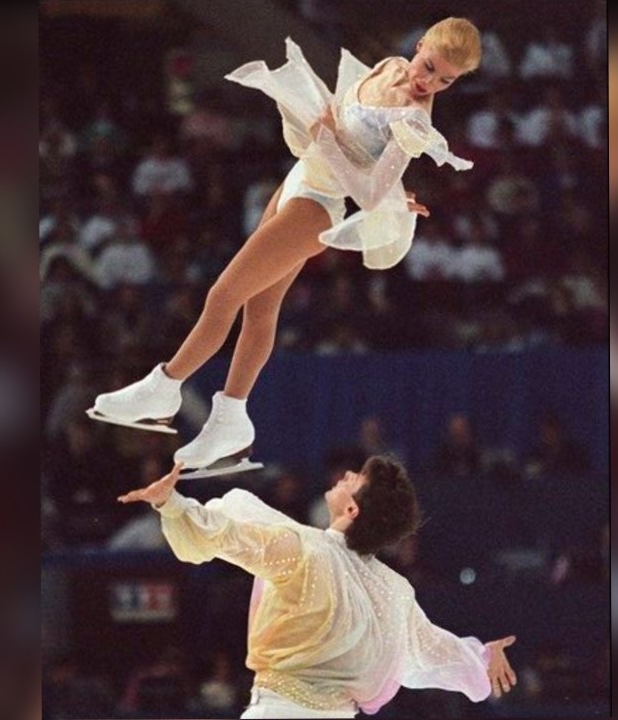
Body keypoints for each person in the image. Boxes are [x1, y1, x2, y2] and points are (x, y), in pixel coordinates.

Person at [90, 18, 482, 477]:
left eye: (445, 81)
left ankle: (165, 385)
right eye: (430, 67)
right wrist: (357, 163)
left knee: (223, 294)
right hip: (301, 178)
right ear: (418, 47)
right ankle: (230, 420)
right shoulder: (390, 64)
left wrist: (334, 149)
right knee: (260, 308)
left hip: (319, 205)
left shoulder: (416, 118)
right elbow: (363, 145)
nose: (428, 82)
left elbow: (369, 194)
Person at [117, 457, 519, 719]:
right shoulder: (393, 590)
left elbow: (229, 537)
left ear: (352, 509)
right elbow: (429, 647)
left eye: (354, 478)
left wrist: (171, 505)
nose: (344, 475)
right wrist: (481, 657)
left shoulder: (306, 551)